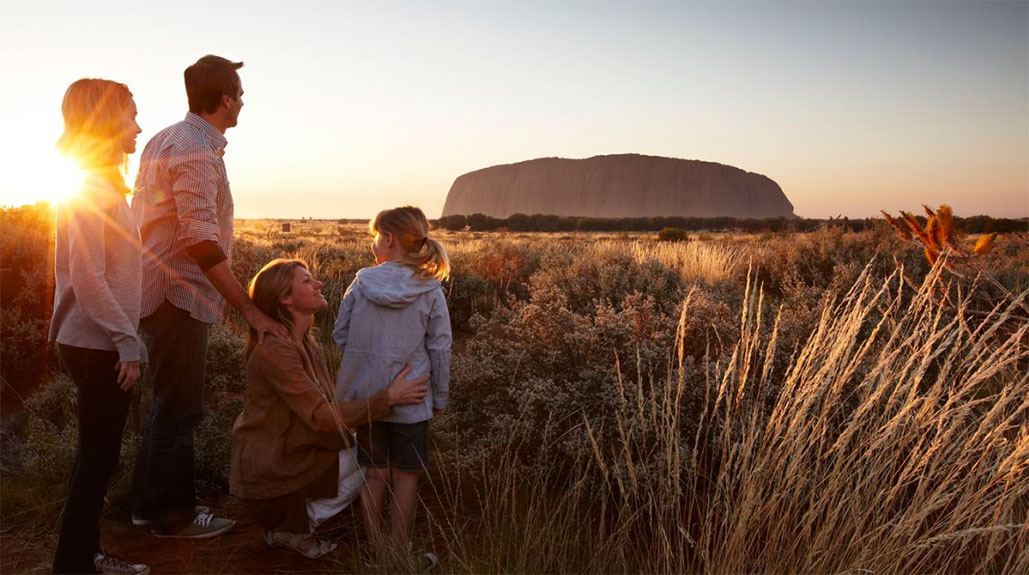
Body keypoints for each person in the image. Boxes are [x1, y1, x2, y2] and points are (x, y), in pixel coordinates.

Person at [130, 54, 287, 538]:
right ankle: (171, 518)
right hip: (178, 296)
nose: (242, 101)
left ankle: (147, 507)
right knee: (180, 409)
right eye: (239, 93)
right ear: (225, 99)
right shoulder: (195, 149)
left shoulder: (167, 138)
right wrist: (247, 310)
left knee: (166, 404)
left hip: (158, 291)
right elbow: (200, 241)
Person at [230, 258, 430, 558]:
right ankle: (295, 525)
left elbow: (328, 408)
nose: (319, 284)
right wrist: (387, 398)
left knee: (368, 452)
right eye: (307, 281)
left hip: (291, 455)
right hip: (272, 471)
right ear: (286, 298)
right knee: (370, 460)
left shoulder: (304, 342)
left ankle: (293, 523)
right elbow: (322, 416)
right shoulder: (276, 350)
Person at [49, 78, 150, 575]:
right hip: (97, 344)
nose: (137, 125)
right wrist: (126, 341)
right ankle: (75, 564)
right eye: (131, 114)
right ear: (107, 120)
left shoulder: (101, 182)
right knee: (97, 461)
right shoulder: (89, 185)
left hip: (95, 340)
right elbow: (88, 280)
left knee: (96, 457)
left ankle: (82, 557)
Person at [334, 206, 451, 567]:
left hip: (367, 398)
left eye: (375, 236)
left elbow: (340, 334)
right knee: (406, 475)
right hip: (412, 396)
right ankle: (397, 554)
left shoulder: (362, 283)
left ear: (386, 238)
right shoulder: (430, 289)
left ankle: (374, 552)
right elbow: (440, 347)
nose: (374, 243)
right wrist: (440, 395)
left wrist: (369, 363)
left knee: (374, 472)